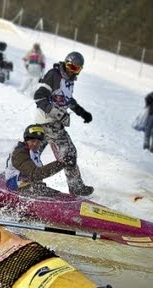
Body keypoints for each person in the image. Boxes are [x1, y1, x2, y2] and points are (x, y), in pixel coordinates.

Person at [33, 51, 94, 196]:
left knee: (33, 152)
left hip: (47, 124)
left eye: (76, 69)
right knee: (69, 153)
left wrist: (81, 112)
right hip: (49, 123)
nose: (72, 71)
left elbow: (67, 100)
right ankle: (76, 186)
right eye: (70, 67)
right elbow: (39, 97)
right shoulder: (54, 75)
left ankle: (17, 176)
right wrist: (58, 113)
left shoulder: (69, 81)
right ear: (65, 64)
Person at [4, 124, 69, 197]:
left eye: (38, 142)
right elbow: (34, 174)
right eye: (32, 141)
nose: (35, 144)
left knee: (46, 190)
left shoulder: (33, 151)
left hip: (29, 186)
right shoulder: (20, 153)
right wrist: (60, 164)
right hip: (15, 187)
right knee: (44, 191)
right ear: (26, 140)